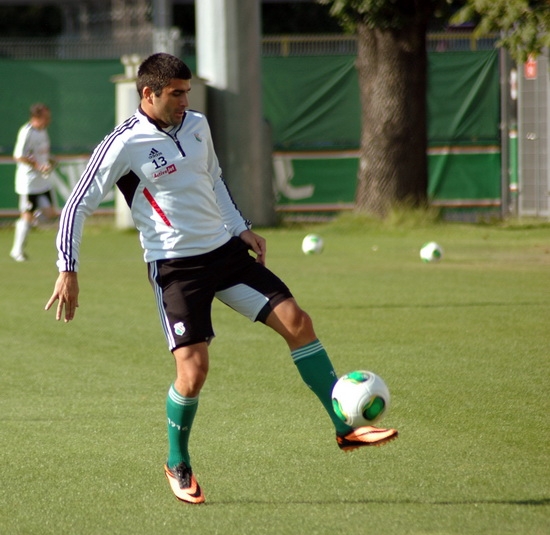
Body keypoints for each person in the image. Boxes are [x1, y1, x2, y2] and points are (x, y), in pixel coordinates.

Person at [45, 53, 397, 504]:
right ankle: (177, 462)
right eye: (176, 93)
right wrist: (67, 269)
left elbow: (214, 180)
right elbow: (76, 204)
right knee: (193, 372)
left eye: (187, 91)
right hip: (176, 268)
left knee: (298, 322)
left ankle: (345, 429)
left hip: (225, 253)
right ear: (147, 94)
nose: (185, 100)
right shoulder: (122, 144)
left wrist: (240, 226)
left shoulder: (197, 125)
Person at [10, 103, 56, 262]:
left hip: (42, 181)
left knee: (50, 214)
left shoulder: (43, 131)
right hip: (28, 182)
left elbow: (41, 153)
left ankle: (30, 219)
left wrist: (49, 161)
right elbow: (19, 156)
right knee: (27, 216)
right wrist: (37, 166)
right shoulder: (26, 132)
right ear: (37, 116)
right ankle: (17, 251)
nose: (49, 119)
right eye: (46, 116)